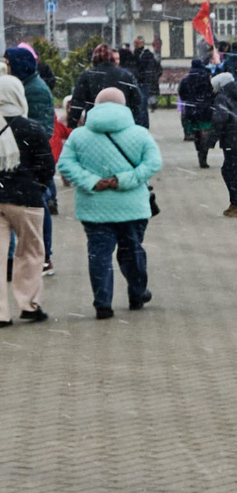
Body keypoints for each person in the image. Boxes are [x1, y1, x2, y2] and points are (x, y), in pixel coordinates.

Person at [57, 85, 159, 319]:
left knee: (99, 255)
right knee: (132, 251)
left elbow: (65, 164)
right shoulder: (139, 133)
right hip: (132, 207)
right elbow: (153, 163)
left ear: (96, 105)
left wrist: (92, 181)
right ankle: (137, 293)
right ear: (124, 105)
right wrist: (123, 180)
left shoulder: (79, 135)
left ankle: (103, 303)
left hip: (94, 208)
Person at [0, 71, 55, 323]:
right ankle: (29, 305)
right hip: (26, 200)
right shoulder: (32, 128)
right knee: (31, 252)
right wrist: (38, 187)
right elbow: (46, 166)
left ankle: (1, 314)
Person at [208, 71, 237, 217]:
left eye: (215, 87)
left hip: (231, 139)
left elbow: (219, 120)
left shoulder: (222, 99)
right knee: (231, 170)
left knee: (230, 172)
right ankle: (235, 203)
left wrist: (210, 141)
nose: (213, 90)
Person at [65, 44, 141, 131]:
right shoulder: (126, 76)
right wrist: (136, 124)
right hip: (121, 124)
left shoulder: (87, 76)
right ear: (112, 58)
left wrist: (72, 124)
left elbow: (77, 103)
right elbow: (137, 102)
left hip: (94, 125)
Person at [177, 55, 218, 167]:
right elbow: (215, 92)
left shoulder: (186, 80)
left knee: (196, 132)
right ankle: (204, 153)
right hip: (206, 108)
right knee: (205, 130)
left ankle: (199, 149)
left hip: (192, 109)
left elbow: (182, 94)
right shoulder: (208, 78)